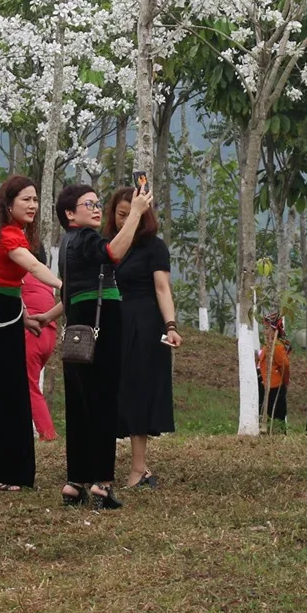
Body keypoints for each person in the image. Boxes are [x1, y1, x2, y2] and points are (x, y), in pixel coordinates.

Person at [56, 178, 150, 509]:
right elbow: (113, 252)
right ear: (70, 213)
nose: (97, 210)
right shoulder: (85, 238)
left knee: (81, 402)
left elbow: (67, 290)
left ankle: (74, 481)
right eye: (89, 205)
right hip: (102, 321)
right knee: (104, 401)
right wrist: (137, 212)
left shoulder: (67, 243)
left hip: (77, 323)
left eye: (98, 204)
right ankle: (103, 482)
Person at [0, 175, 59, 492]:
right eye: (26, 200)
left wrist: (25, 318)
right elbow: (32, 268)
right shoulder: (8, 235)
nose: (32, 205)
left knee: (11, 394)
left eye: (35, 199)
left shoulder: (17, 232)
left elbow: (8, 287)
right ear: (8, 204)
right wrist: (64, 285)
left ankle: (5, 471)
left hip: (7, 313)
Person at [107, 182, 179, 487]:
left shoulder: (154, 246)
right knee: (110, 394)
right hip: (112, 323)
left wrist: (171, 326)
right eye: (120, 214)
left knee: (138, 394)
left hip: (145, 326)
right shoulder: (107, 245)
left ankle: (139, 468)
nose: (125, 219)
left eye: (131, 213)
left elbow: (162, 288)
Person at [22, 273, 60, 441]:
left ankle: (48, 434)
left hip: (32, 331)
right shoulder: (43, 276)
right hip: (49, 335)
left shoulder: (18, 272)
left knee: (29, 386)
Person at [257, 312, 292, 426]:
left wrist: (284, 382)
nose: (264, 332)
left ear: (274, 330)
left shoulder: (277, 348)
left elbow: (285, 366)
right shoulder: (267, 346)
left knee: (276, 415)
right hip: (264, 385)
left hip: (274, 387)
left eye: (267, 328)